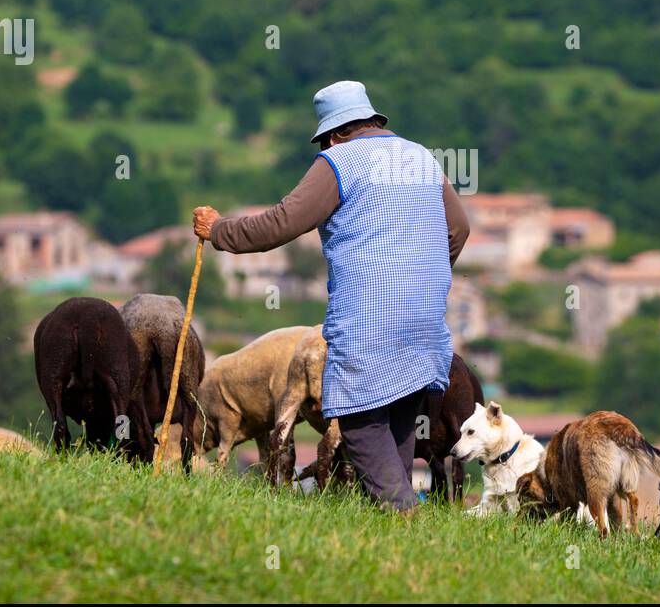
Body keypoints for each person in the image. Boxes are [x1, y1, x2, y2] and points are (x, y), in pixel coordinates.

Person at [193, 80, 469, 511]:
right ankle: (398, 537)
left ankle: (405, 515)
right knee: (396, 424)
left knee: (359, 422)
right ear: (373, 120)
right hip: (427, 320)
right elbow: (459, 229)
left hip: (369, 320)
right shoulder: (421, 158)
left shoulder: (337, 161)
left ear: (335, 133)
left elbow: (279, 223)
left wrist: (219, 231)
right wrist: (423, 278)